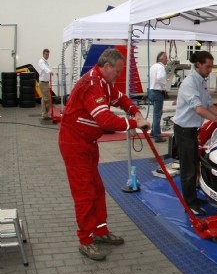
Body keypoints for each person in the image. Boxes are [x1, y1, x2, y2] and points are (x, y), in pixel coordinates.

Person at [58, 48, 150, 261]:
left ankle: (100, 231)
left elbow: (120, 98)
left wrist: (134, 110)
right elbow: (106, 120)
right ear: (107, 67)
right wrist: (134, 123)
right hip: (74, 143)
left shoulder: (104, 83)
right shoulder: (92, 84)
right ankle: (85, 240)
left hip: (88, 142)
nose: (118, 76)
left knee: (97, 189)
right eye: (117, 71)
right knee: (84, 193)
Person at [173, 51, 217, 216]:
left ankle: (191, 197)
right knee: (188, 170)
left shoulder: (202, 82)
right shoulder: (189, 83)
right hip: (184, 130)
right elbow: (199, 109)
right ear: (198, 64)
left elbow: (208, 105)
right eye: (208, 66)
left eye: (211, 66)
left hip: (192, 130)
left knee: (194, 165)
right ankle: (190, 204)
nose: (210, 70)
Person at [148, 51, 168, 143]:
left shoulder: (153, 66)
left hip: (151, 91)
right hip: (157, 91)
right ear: (162, 59)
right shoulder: (161, 67)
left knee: (156, 113)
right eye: (166, 58)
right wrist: (164, 88)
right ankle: (157, 135)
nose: (167, 59)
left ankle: (153, 131)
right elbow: (160, 78)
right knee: (157, 114)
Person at [38, 48, 53, 121]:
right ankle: (45, 114)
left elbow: (46, 70)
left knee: (45, 98)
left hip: (46, 83)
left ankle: (45, 114)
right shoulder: (41, 61)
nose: (47, 56)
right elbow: (44, 68)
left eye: (48, 54)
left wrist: (50, 72)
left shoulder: (45, 62)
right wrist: (49, 71)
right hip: (43, 83)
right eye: (46, 54)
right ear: (43, 54)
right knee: (47, 99)